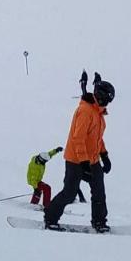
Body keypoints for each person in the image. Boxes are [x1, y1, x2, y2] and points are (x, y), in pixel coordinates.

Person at [45, 72, 114, 232]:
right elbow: (78, 138)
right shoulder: (85, 112)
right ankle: (50, 217)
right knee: (69, 193)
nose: (109, 103)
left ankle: (99, 222)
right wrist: (84, 163)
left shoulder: (98, 114)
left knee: (99, 192)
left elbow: (97, 138)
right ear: (101, 96)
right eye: (109, 99)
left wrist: (104, 155)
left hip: (92, 160)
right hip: (76, 160)